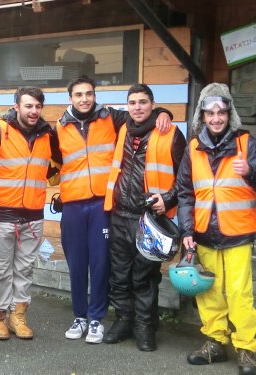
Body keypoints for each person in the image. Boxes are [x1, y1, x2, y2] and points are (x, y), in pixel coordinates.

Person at [51, 76, 172, 344]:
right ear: (70, 98)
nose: (85, 99)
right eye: (79, 94)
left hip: (103, 204)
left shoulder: (112, 117)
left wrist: (163, 111)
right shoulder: (57, 129)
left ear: (95, 96)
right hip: (72, 205)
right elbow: (53, 165)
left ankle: (96, 319)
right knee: (77, 264)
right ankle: (79, 316)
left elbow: (141, 114)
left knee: (102, 263)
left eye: (89, 94)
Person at [176, 83, 256, 375]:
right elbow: (185, 192)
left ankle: (246, 349)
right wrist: (186, 231)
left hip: (238, 234)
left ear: (229, 114)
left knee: (239, 293)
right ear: (202, 115)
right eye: (210, 113)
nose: (216, 118)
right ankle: (214, 342)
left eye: (221, 112)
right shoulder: (193, 148)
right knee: (209, 293)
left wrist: (251, 171)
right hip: (204, 234)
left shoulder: (248, 144)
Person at [102, 84, 186, 351]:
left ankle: (145, 327)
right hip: (119, 215)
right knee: (119, 275)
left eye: (143, 102)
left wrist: (170, 199)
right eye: (132, 102)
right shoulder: (122, 126)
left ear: (152, 104)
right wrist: (164, 111)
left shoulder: (170, 132)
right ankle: (124, 321)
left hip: (149, 220)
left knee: (145, 277)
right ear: (127, 105)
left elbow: (187, 178)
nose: (137, 107)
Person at [0, 87, 57, 340]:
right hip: (1, 215)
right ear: (16, 106)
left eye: (37, 106)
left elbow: (55, 167)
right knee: (0, 270)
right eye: (28, 106)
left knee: (25, 269)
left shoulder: (48, 134)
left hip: (33, 216)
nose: (33, 111)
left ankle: (19, 316)